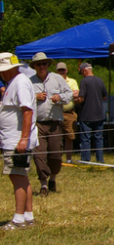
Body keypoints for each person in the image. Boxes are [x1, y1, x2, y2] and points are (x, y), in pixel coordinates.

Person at [1, 53, 37, 230]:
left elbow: (27, 111)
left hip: (16, 140)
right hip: (12, 138)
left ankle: (18, 219)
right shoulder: (14, 82)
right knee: (21, 176)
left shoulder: (20, 82)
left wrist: (23, 138)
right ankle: (28, 216)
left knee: (17, 177)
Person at [29, 53, 73, 195]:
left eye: (44, 64)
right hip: (38, 123)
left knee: (55, 155)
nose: (41, 67)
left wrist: (59, 97)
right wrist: (34, 97)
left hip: (55, 122)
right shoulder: (29, 82)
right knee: (39, 154)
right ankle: (43, 185)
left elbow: (70, 94)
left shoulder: (57, 79)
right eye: (38, 64)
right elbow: (22, 100)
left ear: (48, 65)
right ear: (34, 66)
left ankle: (53, 178)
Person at [75, 62, 108, 163]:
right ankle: (100, 159)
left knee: (86, 139)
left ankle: (86, 160)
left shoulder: (84, 82)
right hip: (99, 114)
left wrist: (74, 99)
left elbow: (81, 99)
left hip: (86, 115)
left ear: (84, 70)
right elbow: (104, 97)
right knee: (99, 138)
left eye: (81, 72)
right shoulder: (100, 81)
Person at [55, 62, 79, 164]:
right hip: (56, 113)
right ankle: (57, 159)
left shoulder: (72, 81)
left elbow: (76, 94)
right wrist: (69, 94)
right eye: (59, 70)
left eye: (63, 70)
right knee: (57, 137)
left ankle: (68, 159)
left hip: (69, 113)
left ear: (66, 70)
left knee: (70, 136)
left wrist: (61, 95)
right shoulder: (53, 82)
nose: (61, 72)